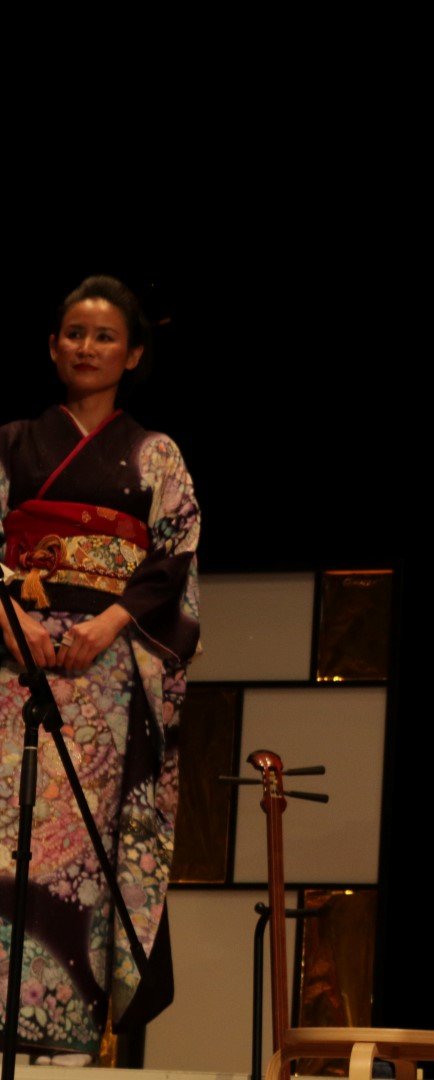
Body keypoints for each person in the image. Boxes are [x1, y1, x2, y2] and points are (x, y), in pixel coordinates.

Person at [0, 276, 201, 1064]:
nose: (87, 347)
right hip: (13, 668)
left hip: (105, 677)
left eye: (105, 336)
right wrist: (11, 622)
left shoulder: (155, 455)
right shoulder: (11, 444)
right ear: (53, 347)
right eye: (74, 333)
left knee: (81, 850)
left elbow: (173, 556)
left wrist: (110, 624)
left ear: (134, 354)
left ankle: (67, 1040)